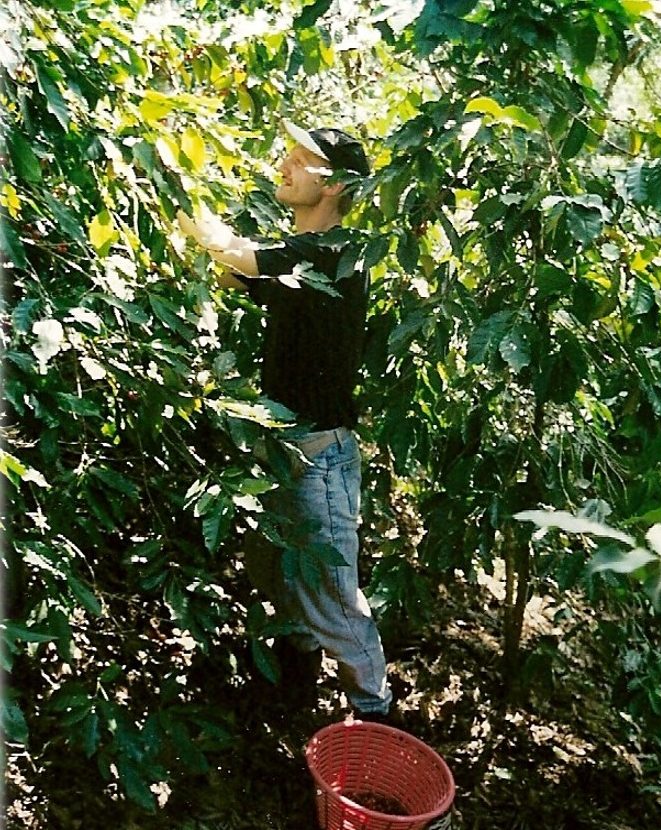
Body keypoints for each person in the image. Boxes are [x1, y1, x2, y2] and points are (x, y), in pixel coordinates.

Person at [177, 120, 393, 719]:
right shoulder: (302, 260)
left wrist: (174, 188)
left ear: (334, 186)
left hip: (319, 457)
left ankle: (376, 720)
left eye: (301, 160)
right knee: (283, 577)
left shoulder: (336, 253)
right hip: (286, 447)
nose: (285, 165)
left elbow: (236, 254)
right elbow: (238, 270)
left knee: (333, 599)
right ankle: (291, 696)